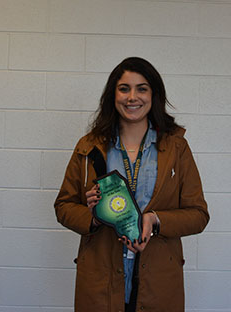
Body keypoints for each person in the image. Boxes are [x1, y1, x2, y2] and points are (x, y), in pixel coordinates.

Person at [54, 57, 209, 312]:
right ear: (112, 95)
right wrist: (93, 217)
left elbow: (199, 215)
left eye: (142, 88)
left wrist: (154, 220)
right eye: (124, 88)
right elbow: (63, 206)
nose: (132, 97)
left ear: (153, 95)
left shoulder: (177, 148)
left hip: (158, 284)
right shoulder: (89, 146)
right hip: (100, 282)